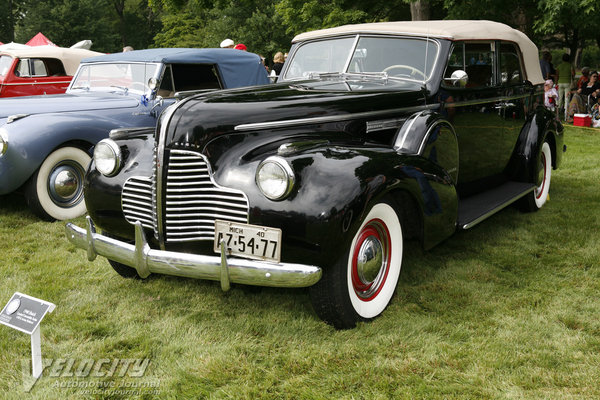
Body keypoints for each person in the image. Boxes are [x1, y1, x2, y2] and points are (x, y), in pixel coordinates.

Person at [556, 53, 574, 120]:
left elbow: (557, 75)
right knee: (567, 99)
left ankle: (557, 115)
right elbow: (573, 74)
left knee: (559, 99)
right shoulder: (570, 66)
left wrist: (556, 83)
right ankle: (565, 116)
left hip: (560, 83)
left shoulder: (559, 66)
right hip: (567, 83)